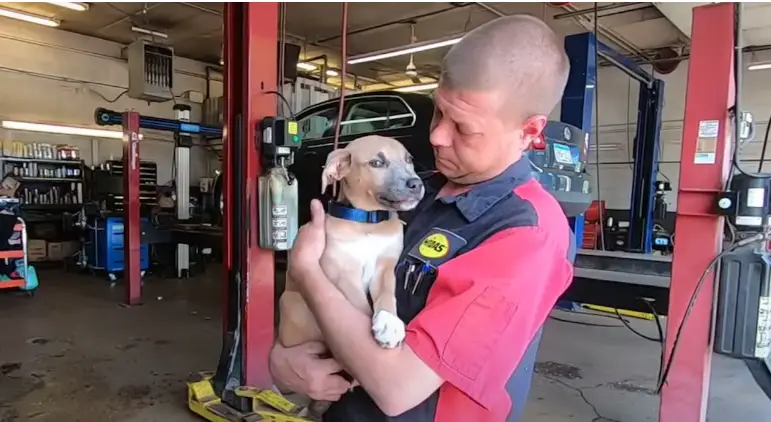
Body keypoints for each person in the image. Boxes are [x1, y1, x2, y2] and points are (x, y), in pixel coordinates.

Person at [270, 14, 575, 421]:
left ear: (528, 131)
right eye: (438, 113)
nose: (437, 136)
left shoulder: (524, 234)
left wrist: (306, 271)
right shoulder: (422, 191)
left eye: (463, 128)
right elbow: (324, 315)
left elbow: (397, 389)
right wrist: (283, 362)